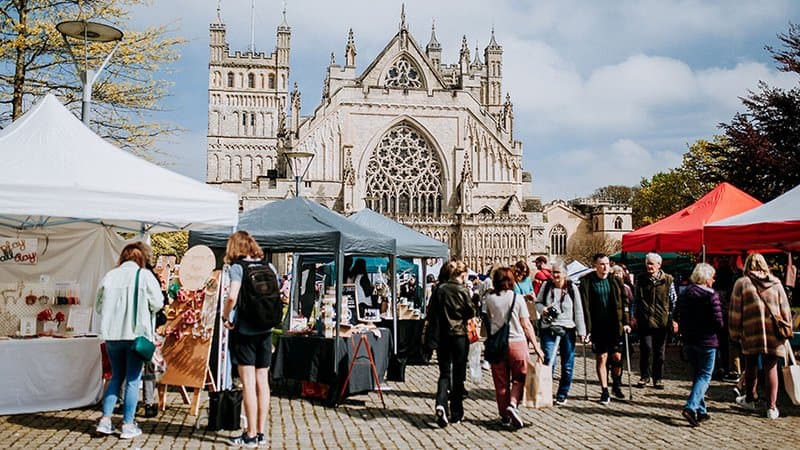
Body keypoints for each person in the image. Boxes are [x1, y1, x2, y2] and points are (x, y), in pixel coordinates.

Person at [95, 242, 163, 439]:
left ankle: (105, 420)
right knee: (133, 380)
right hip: (135, 335)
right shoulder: (144, 276)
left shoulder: (110, 275)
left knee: (115, 377)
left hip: (112, 335)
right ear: (141, 257)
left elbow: (99, 305)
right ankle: (127, 424)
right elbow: (158, 303)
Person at [221, 230, 279, 446]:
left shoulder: (238, 268)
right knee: (263, 382)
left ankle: (250, 434)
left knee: (248, 384)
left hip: (245, 331)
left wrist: (226, 316)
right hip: (265, 330)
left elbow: (232, 296)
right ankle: (261, 432)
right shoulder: (268, 266)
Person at [729, 253, 793, 420]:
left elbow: (735, 311)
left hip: (751, 331)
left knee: (750, 366)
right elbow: (785, 308)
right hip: (773, 333)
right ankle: (772, 407)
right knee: (771, 367)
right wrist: (787, 329)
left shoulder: (742, 284)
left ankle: (750, 399)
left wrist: (734, 333)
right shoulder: (776, 283)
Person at [485, 267, 543, 428]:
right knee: (520, 378)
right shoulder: (517, 299)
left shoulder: (489, 299)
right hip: (517, 342)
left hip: (498, 344)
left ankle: (504, 416)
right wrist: (537, 347)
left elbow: (488, 320)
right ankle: (513, 404)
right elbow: (526, 325)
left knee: (501, 382)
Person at [675, 263, 724, 426]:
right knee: (705, 376)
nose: (714, 280)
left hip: (690, 339)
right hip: (707, 340)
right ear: (705, 277)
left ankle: (701, 410)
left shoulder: (685, 294)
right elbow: (718, 321)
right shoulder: (711, 296)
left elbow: (679, 314)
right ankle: (690, 407)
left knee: (697, 375)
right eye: (712, 276)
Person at [580, 253, 631, 404]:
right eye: (602, 264)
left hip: (615, 325)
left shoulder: (615, 280)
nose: (605, 267)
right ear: (595, 265)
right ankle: (604, 390)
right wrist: (585, 329)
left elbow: (624, 302)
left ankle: (616, 383)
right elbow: (584, 306)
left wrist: (626, 322)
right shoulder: (587, 282)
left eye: (607, 263)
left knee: (616, 357)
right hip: (598, 326)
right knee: (602, 357)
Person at [430, 259, 475, 428]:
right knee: (458, 374)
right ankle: (456, 413)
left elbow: (432, 312)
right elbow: (471, 311)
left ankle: (441, 403)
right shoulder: (463, 290)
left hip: (443, 337)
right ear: (462, 275)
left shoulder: (439, 289)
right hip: (459, 336)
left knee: (444, 373)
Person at [535, 261, 587, 405]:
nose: (555, 275)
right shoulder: (546, 286)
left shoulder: (572, 288)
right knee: (549, 361)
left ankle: (562, 393)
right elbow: (537, 302)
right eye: (554, 272)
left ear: (565, 274)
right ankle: (545, 392)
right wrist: (543, 309)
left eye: (558, 272)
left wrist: (582, 331)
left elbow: (578, 310)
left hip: (567, 329)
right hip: (549, 327)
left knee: (568, 364)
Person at [632, 252, 677, 390]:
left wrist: (672, 318)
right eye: (647, 264)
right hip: (645, 320)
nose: (649, 266)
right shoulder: (641, 279)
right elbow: (636, 300)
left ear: (659, 265)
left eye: (651, 264)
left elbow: (673, 300)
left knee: (659, 352)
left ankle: (658, 378)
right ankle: (644, 376)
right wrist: (634, 316)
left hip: (661, 322)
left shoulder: (668, 280)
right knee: (646, 348)